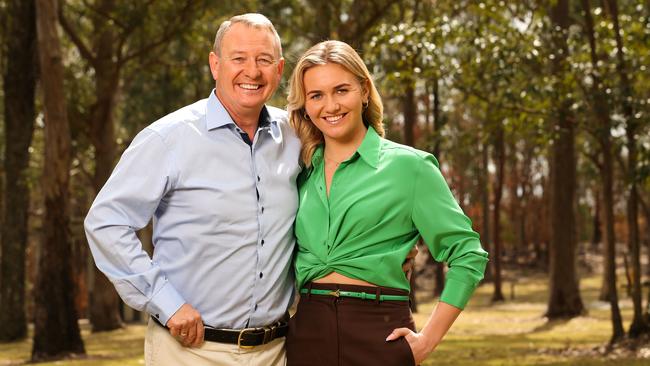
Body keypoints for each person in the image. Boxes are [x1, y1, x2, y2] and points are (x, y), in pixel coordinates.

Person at [84, 13, 300, 365]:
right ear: (215, 65)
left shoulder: (294, 136)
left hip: (275, 351)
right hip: (190, 352)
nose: (252, 71)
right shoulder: (169, 138)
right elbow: (106, 223)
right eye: (238, 58)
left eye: (263, 60)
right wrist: (165, 301)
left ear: (278, 70)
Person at [285, 40, 489, 366]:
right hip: (307, 334)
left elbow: (468, 255)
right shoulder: (299, 172)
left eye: (341, 90)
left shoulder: (410, 168)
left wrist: (427, 341)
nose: (331, 105)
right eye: (316, 95)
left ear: (364, 91)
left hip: (379, 333)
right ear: (305, 105)